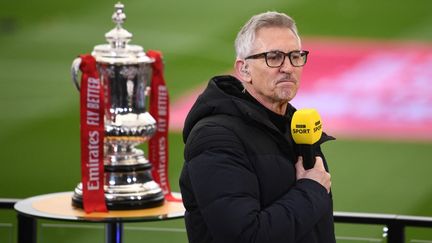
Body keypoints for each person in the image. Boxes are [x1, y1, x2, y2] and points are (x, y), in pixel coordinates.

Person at [179, 11, 335, 243]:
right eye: (273, 57)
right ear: (243, 69)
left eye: (295, 56)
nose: (288, 67)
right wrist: (311, 190)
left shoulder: (296, 125)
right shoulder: (214, 138)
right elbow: (245, 236)